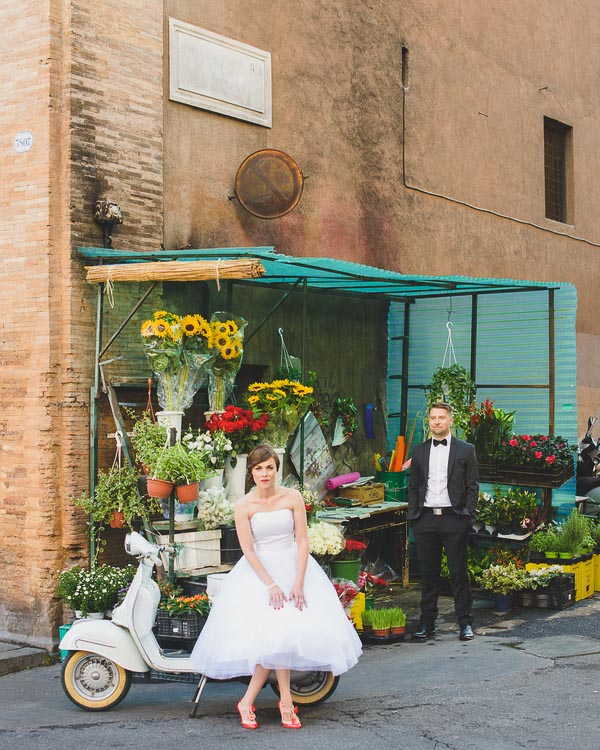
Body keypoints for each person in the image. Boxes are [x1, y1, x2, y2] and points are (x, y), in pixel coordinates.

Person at [189, 444, 362, 730]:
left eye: (269, 467)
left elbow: (303, 541)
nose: (265, 473)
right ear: (252, 473)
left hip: (294, 568)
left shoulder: (292, 497)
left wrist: (299, 581)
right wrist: (270, 584)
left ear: (276, 469)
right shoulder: (244, 505)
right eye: (258, 469)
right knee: (275, 639)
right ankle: (270, 702)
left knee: (282, 639)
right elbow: (248, 549)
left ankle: (270, 701)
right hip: (259, 576)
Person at [407, 402, 479, 642]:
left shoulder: (466, 450)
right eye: (433, 418)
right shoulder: (419, 450)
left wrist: (467, 514)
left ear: (450, 420)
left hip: (454, 518)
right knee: (428, 575)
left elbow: (472, 485)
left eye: (441, 418)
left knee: (459, 573)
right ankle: (426, 624)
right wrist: (414, 514)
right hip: (425, 519)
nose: (437, 422)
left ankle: (465, 624)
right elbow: (414, 486)